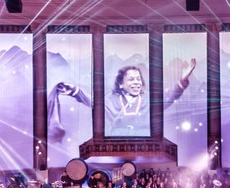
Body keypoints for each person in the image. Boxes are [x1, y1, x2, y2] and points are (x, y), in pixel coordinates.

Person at [52, 58, 197, 137]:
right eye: (131, 79)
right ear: (121, 84)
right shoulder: (111, 100)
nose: (136, 82)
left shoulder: (148, 99)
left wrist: (183, 80)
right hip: (116, 144)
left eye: (138, 79)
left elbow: (169, 97)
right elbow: (93, 102)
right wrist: (75, 91)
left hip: (144, 144)